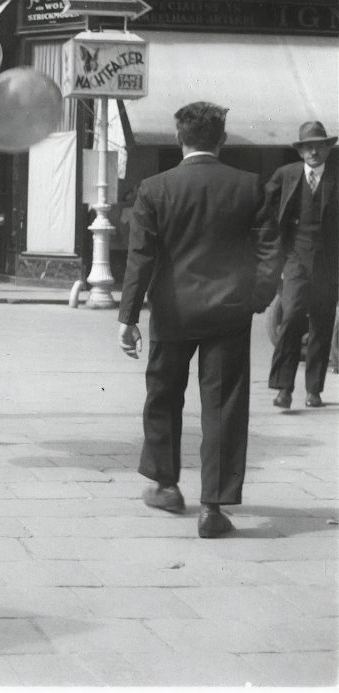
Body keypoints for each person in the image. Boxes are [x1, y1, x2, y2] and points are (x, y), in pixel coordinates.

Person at [118, 102, 278, 539]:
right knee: (224, 406)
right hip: (229, 311)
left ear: (179, 139)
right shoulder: (249, 186)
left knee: (164, 396)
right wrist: (256, 299)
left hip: (172, 311)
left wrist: (128, 317)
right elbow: (269, 251)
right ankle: (213, 507)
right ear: (221, 140)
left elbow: (142, 258)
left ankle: (166, 485)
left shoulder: (155, 188)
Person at [265, 121, 338, 410]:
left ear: (328, 149)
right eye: (308, 146)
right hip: (295, 260)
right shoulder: (286, 175)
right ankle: (284, 388)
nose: (314, 151)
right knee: (292, 315)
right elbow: (263, 207)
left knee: (322, 323)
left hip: (328, 265)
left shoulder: (336, 177)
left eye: (319, 145)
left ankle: (314, 390)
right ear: (300, 151)